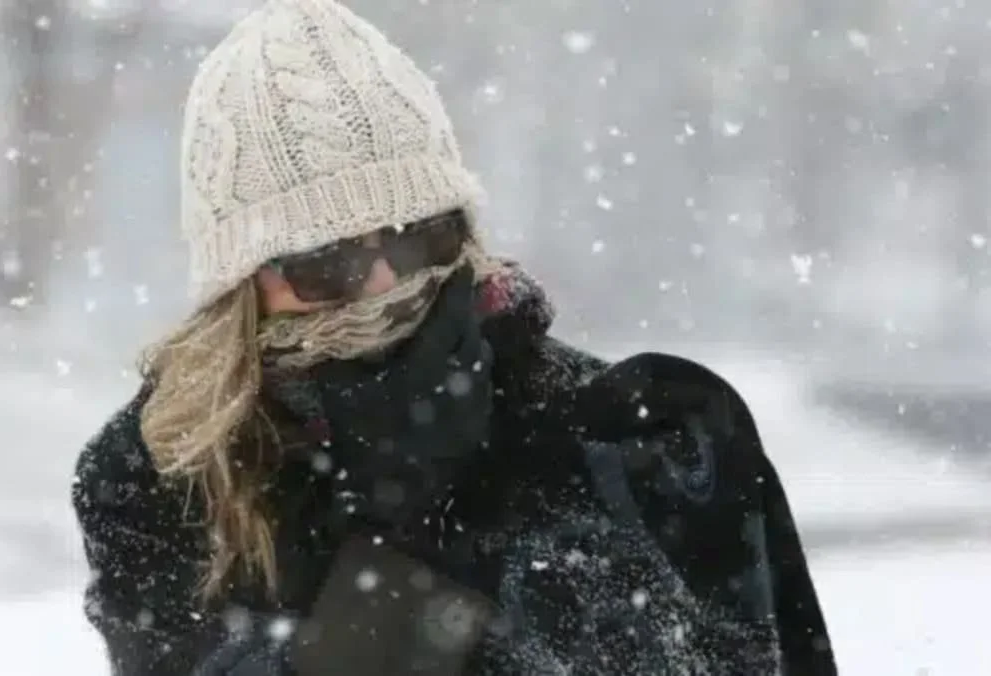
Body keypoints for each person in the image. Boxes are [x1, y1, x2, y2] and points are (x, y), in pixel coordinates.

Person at [72, 1, 836, 673]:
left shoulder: (633, 435)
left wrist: (487, 524)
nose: (381, 284)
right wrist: (403, 566)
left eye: (415, 238)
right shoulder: (160, 475)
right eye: (326, 263)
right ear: (239, 289)